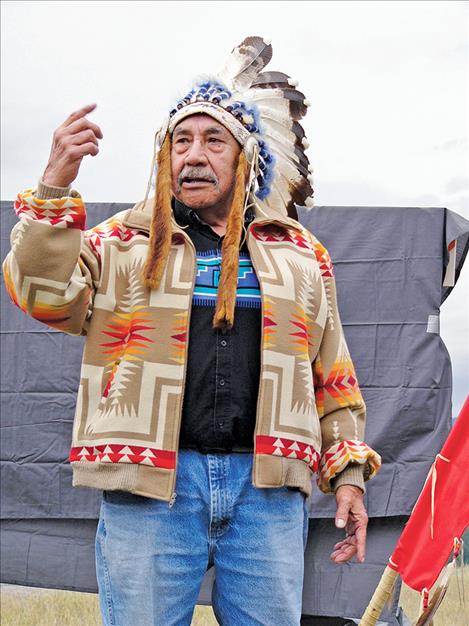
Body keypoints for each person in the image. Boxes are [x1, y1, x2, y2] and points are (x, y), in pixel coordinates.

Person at [3, 36, 381, 626]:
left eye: (212, 140)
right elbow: (43, 295)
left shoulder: (301, 255)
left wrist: (349, 476)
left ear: (246, 159)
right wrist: (54, 186)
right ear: (164, 157)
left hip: (268, 493)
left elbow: (332, 376)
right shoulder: (123, 245)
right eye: (181, 141)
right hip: (151, 490)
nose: (194, 156)